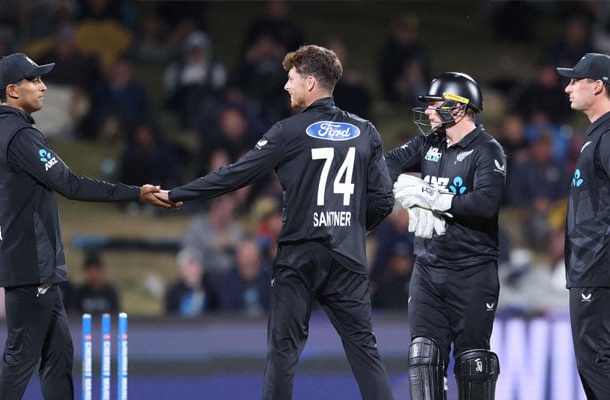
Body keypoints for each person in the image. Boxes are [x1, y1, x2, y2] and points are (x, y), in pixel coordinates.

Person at [156, 45, 394, 400]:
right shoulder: (366, 131)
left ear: (310, 82)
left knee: (283, 352)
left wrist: (177, 194)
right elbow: (384, 201)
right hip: (347, 256)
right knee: (364, 351)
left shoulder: (289, 131)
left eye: (291, 78)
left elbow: (235, 175)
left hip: (300, 255)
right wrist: (351, 227)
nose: (286, 86)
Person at [0, 52, 179, 400]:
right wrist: (136, 193)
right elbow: (70, 184)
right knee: (20, 357)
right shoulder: (22, 137)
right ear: (12, 91)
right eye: (34, 80)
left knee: (58, 354)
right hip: (31, 265)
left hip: (23, 262)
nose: (43, 86)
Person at [385, 72, 506, 400]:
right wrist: (405, 193)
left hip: (472, 273)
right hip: (427, 270)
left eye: (435, 104)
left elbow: (486, 203)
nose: (427, 111)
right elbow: (386, 165)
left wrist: (433, 198)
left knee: (473, 364)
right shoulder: (428, 143)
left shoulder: (488, 151)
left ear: (460, 108)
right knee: (423, 358)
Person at [556, 52, 610, 400]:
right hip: (593, 269)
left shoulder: (607, 137)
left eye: (576, 80)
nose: (567, 88)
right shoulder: (597, 135)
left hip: (599, 270)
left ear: (598, 85)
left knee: (595, 361)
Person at [64, 252, 120, 316]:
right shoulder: (79, 293)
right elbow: (74, 315)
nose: (94, 275)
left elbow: (115, 315)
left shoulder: (110, 292)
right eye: (90, 271)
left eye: (96, 271)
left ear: (101, 270)